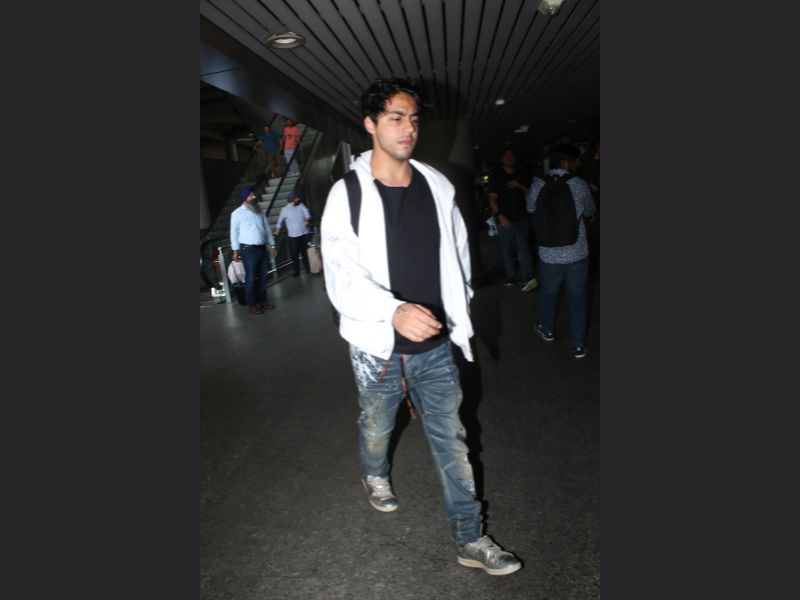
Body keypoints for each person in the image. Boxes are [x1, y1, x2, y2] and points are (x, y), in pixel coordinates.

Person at [321, 77, 521, 576]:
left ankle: (470, 538)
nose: (408, 128)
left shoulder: (437, 185)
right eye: (395, 118)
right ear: (371, 124)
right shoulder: (347, 194)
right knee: (377, 425)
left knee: (452, 440)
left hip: (434, 346)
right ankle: (374, 472)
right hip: (377, 347)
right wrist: (392, 310)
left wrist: (458, 309)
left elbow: (458, 255)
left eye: (413, 119)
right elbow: (341, 275)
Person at [527, 144, 596, 358]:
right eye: (576, 161)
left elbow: (530, 208)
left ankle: (547, 329)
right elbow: (590, 210)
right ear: (566, 162)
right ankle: (578, 345)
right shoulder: (579, 183)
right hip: (577, 253)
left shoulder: (538, 183)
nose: (578, 165)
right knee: (578, 298)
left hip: (548, 254)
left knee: (549, 294)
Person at [488, 148, 538, 291]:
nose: (509, 158)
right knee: (506, 249)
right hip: (504, 218)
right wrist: (500, 216)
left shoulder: (522, 174)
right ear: (502, 159)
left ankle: (528, 277)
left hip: (521, 217)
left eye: (511, 156)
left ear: (515, 159)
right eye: (506, 156)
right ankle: (510, 276)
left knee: (524, 248)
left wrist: (519, 185)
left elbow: (531, 193)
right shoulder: (497, 176)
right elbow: (492, 198)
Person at [230, 186, 278, 314]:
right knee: (251, 278)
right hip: (248, 250)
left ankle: (263, 301)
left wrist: (273, 245)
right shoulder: (236, 214)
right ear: (245, 198)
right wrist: (235, 251)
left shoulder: (259, 211)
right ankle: (252, 305)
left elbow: (267, 229)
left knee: (263, 277)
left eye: (253, 194)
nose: (254, 196)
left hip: (262, 248)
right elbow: (234, 233)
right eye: (251, 195)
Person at [274, 190, 312, 277]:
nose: (298, 199)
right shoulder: (284, 210)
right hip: (293, 236)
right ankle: (296, 271)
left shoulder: (301, 205)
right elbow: (280, 221)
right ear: (292, 200)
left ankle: (308, 268)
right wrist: (277, 230)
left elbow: (307, 213)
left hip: (303, 234)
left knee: (305, 253)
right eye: (296, 199)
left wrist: (306, 219)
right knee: (294, 255)